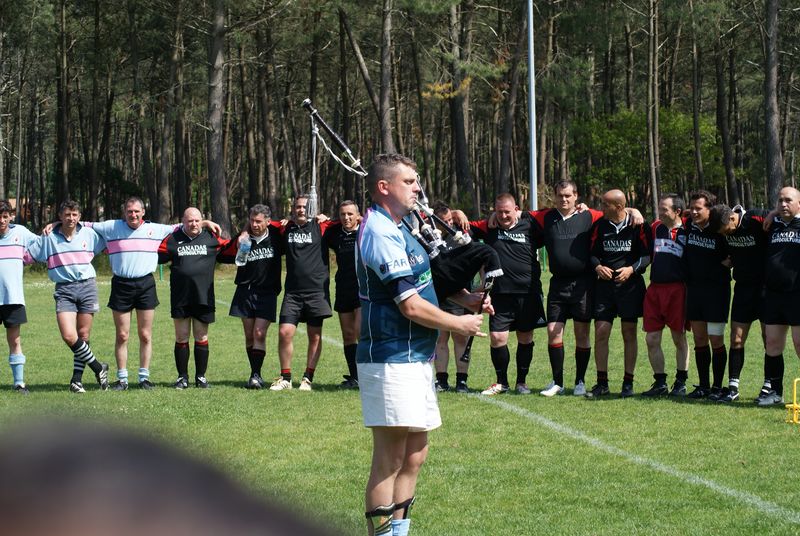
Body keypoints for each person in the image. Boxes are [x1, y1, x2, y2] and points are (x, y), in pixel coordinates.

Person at [356, 154, 489, 536]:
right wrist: (458, 322)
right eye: (410, 182)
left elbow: (426, 282)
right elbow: (409, 305)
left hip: (415, 359)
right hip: (390, 359)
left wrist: (466, 300)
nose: (418, 188)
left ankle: (400, 532)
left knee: (415, 454)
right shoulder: (379, 232)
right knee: (389, 459)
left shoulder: (402, 226)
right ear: (384, 187)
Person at [65, 196, 219, 390]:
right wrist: (57, 224)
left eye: (137, 211)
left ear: (143, 212)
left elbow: (183, 226)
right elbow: (81, 223)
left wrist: (204, 222)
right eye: (129, 211)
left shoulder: (155, 229)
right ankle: (122, 379)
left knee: (145, 335)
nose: (133, 215)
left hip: (146, 284)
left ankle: (144, 378)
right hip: (121, 285)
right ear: (124, 212)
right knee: (122, 335)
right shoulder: (111, 227)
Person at [465, 194, 547, 395]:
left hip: (528, 293)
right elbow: (464, 226)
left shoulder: (530, 224)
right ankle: (501, 382)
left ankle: (521, 382)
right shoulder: (489, 226)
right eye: (499, 212)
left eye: (507, 212)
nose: (503, 216)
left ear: (516, 209)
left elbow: (553, 216)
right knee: (497, 337)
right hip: (499, 294)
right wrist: (459, 212)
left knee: (525, 337)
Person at [29, 200, 109, 393]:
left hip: (87, 286)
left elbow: (110, 239)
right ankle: (99, 367)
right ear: (60, 216)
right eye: (67, 215)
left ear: (79, 216)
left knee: (83, 335)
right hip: (64, 289)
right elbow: (31, 253)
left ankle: (76, 380)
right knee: (69, 335)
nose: (71, 218)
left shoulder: (89, 234)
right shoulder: (49, 236)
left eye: (74, 215)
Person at [158, 207, 232, 389]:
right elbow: (156, 252)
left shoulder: (211, 238)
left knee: (201, 336)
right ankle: (182, 377)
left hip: (203, 296)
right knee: (181, 336)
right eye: (190, 220)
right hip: (181, 296)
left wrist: (245, 236)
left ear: (202, 220)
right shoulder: (173, 239)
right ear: (183, 221)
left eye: (197, 220)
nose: (194, 224)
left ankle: (201, 377)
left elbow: (230, 248)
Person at [587, 190, 650, 398]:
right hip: (604, 289)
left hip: (630, 288)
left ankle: (628, 383)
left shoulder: (638, 226)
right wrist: (598, 267)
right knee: (601, 331)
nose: (602, 208)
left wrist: (631, 269)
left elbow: (647, 255)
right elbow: (591, 253)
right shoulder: (599, 226)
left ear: (619, 207)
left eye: (605, 204)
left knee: (629, 333)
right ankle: (602, 383)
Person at [708, 203, 769, 403]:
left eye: (726, 231)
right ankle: (733, 388)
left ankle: (769, 386)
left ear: (733, 218)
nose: (725, 235)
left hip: (766, 288)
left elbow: (783, 219)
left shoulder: (756, 218)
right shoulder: (723, 229)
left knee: (769, 339)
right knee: (736, 338)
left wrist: (775, 213)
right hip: (743, 289)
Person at [272, 194, 334, 392]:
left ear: (312, 209)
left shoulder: (322, 226)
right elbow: (260, 221)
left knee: (314, 336)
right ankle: (285, 378)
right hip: (293, 293)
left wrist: (328, 218)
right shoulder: (286, 227)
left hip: (317, 292)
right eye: (298, 206)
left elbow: (350, 222)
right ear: (293, 209)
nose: (301, 210)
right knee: (284, 332)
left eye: (305, 207)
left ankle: (308, 378)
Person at [227, 204, 283, 389]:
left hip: (267, 292)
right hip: (245, 290)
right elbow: (225, 254)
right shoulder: (244, 238)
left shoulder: (276, 235)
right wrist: (242, 235)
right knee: (249, 336)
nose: (255, 224)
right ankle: (254, 373)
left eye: (258, 221)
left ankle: (256, 375)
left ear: (268, 221)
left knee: (259, 333)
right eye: (252, 221)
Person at [640, 194, 690, 397]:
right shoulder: (655, 227)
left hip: (677, 290)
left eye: (664, 209)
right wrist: (633, 211)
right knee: (651, 338)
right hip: (655, 289)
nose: (660, 212)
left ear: (677, 211)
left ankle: (681, 382)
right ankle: (660, 383)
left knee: (678, 337)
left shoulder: (688, 228)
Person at [683, 190, 730, 400]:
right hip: (694, 290)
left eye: (698, 208)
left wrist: (730, 261)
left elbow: (736, 249)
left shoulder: (720, 228)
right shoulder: (687, 225)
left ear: (710, 209)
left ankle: (718, 387)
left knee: (716, 339)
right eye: (692, 208)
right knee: (699, 338)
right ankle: (703, 386)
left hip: (716, 291)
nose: (694, 212)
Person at [757, 186, 800, 406]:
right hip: (774, 295)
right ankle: (775, 393)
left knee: (799, 344)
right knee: (772, 343)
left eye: (788, 200)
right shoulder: (772, 224)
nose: (783, 204)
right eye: (780, 200)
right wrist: (773, 214)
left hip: (797, 295)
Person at [430, 203, 471, 393]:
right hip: (438, 295)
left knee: (460, 338)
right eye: (444, 221)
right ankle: (442, 380)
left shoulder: (461, 233)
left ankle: (462, 381)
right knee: (440, 339)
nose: (449, 224)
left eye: (450, 220)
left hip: (460, 295)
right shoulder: (428, 236)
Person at [0, 200, 39, 394]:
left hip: (13, 298)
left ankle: (19, 383)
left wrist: (30, 257)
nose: (1, 220)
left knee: (14, 340)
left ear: (10, 217)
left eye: (4, 216)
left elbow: (41, 244)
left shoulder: (21, 233)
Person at [324, 200, 362, 389]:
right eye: (342, 214)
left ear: (358, 216)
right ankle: (355, 377)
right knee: (348, 334)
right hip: (343, 287)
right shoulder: (334, 233)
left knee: (360, 331)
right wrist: (324, 219)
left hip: (363, 289)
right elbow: (320, 226)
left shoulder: (366, 230)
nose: (346, 218)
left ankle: (368, 376)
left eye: (350, 214)